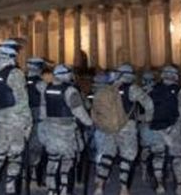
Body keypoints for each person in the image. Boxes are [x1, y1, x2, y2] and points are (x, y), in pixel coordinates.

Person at [93, 64, 153, 195]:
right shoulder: (132, 89)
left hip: (110, 128)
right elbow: (148, 103)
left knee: (107, 157)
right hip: (127, 128)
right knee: (127, 158)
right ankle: (123, 189)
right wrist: (147, 118)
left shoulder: (108, 88)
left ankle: (99, 188)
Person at [0, 41, 32, 195]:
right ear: (12, 56)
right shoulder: (16, 73)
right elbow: (23, 102)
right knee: (15, 158)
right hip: (15, 121)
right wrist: (28, 124)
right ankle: (10, 190)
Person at [40, 65, 93, 195]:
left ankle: (52, 191)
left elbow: (43, 111)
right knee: (67, 164)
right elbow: (79, 111)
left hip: (51, 131)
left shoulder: (47, 88)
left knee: (52, 162)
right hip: (66, 132)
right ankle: (65, 191)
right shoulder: (70, 90)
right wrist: (90, 123)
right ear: (65, 75)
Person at [147, 65, 181, 195]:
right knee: (178, 157)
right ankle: (180, 187)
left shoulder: (152, 90)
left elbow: (146, 110)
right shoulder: (179, 91)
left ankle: (160, 186)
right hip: (173, 127)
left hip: (155, 128)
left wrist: (153, 125)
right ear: (175, 76)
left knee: (158, 157)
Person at [25, 57, 48, 190]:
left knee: (26, 149)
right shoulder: (41, 84)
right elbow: (45, 102)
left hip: (24, 118)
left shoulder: (22, 81)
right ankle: (36, 181)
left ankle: (26, 179)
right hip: (38, 119)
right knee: (38, 150)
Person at [138, 70, 156, 184]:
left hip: (145, 123)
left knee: (147, 149)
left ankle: (145, 171)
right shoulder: (143, 93)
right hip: (149, 123)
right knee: (151, 149)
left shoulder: (139, 93)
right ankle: (147, 171)